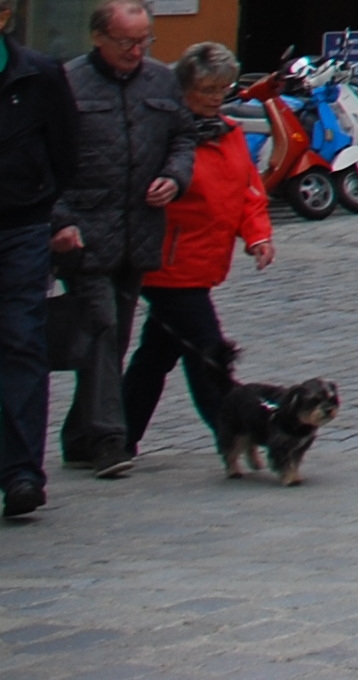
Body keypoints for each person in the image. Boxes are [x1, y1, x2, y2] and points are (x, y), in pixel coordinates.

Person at [57, 0, 193, 480]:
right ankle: (109, 440)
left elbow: (183, 137)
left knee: (112, 339)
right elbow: (42, 161)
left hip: (139, 231)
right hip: (85, 233)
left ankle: (77, 434)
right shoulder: (68, 84)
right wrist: (59, 221)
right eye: (125, 42)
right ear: (98, 38)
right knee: (101, 329)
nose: (136, 51)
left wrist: (175, 177)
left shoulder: (160, 79)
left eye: (143, 41)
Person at [123, 44, 270, 462]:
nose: (216, 96)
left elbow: (247, 190)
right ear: (184, 87)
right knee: (209, 353)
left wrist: (257, 236)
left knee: (157, 353)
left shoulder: (228, 132)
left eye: (222, 88)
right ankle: (234, 430)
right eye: (206, 88)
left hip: (204, 261)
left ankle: (111, 434)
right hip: (167, 262)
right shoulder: (166, 135)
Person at [0, 0, 75, 523]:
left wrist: (48, 210)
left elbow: (65, 154)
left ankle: (22, 471)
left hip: (20, 227)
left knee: (22, 340)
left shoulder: (40, 75)